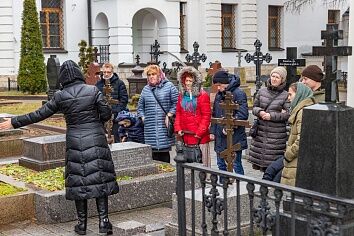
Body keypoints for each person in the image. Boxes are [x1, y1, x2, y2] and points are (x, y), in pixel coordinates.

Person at [0, 60, 119, 235]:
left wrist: (14, 122)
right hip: (95, 137)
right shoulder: (93, 90)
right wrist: (95, 122)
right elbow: (106, 113)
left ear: (63, 77)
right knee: (100, 177)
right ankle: (104, 222)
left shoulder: (61, 96)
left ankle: (82, 225)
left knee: (79, 180)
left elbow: (39, 114)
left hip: (75, 140)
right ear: (79, 73)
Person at [248, 66, 290, 172]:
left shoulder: (285, 95)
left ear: (282, 80)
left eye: (277, 77)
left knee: (272, 164)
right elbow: (255, 107)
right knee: (261, 163)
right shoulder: (262, 91)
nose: (274, 79)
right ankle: (265, 185)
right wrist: (260, 112)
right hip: (261, 133)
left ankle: (271, 185)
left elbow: (289, 113)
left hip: (276, 135)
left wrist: (272, 116)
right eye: (273, 76)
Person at [137, 64, 178, 163]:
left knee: (164, 155)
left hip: (163, 127)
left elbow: (177, 102)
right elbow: (140, 107)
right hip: (150, 128)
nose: (151, 76)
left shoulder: (169, 86)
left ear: (159, 75)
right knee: (153, 156)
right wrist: (143, 117)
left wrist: (170, 113)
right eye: (149, 74)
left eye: (154, 74)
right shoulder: (146, 89)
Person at [210, 70, 248, 175]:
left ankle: (240, 187)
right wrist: (212, 131)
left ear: (225, 83)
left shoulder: (238, 93)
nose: (218, 88)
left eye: (219, 85)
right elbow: (215, 114)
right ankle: (223, 186)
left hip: (234, 136)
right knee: (220, 164)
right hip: (220, 136)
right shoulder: (219, 94)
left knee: (236, 164)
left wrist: (228, 127)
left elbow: (242, 114)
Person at [174, 66, 211, 167]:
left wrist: (199, 133)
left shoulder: (202, 95)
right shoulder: (181, 96)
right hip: (185, 135)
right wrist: (178, 128)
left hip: (199, 137)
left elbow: (206, 116)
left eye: (190, 81)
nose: (188, 83)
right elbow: (178, 113)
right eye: (186, 80)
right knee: (188, 163)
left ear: (195, 82)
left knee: (201, 162)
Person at [281, 82, 315, 186]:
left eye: (291, 94)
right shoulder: (301, 109)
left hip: (296, 162)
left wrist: (288, 154)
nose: (288, 99)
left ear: (299, 94)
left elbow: (302, 140)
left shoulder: (302, 112)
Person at [95, 63, 128, 143]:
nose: (106, 74)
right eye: (104, 72)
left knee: (116, 140)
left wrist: (115, 112)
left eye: (108, 72)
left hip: (115, 117)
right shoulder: (98, 84)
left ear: (112, 72)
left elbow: (123, 100)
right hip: (102, 118)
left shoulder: (119, 83)